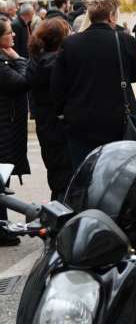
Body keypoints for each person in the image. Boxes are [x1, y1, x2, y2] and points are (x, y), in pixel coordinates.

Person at [51, 0, 136, 168]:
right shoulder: (125, 40)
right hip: (118, 123)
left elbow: (58, 86)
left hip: (81, 124)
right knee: (119, 175)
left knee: (85, 174)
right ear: (111, 16)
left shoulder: (71, 43)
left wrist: (63, 114)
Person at [26, 18, 74, 199]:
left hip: (45, 122)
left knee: (55, 171)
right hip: (61, 123)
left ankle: (58, 204)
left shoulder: (34, 61)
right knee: (67, 174)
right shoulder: (59, 64)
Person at [0, 16, 29, 245]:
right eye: (9, 32)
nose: (14, 35)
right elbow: (23, 81)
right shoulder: (2, 65)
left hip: (6, 130)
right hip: (3, 131)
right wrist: (18, 59)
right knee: (1, 181)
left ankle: (3, 227)